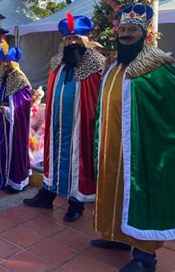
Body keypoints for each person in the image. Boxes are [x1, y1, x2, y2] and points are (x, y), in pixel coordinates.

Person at [92, 4, 175, 271]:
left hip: (143, 149)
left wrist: (159, 139)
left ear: (145, 34)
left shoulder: (158, 66)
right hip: (113, 146)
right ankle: (117, 236)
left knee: (140, 194)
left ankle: (145, 257)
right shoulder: (114, 65)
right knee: (114, 189)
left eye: (132, 31)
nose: (125, 35)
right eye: (123, 30)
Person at [23, 14, 105, 221]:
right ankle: (47, 194)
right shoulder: (57, 62)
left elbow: (99, 96)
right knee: (54, 155)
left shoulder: (97, 63)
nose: (72, 43)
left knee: (78, 160)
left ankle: (75, 204)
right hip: (57, 123)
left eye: (76, 38)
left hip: (80, 124)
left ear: (85, 40)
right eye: (68, 39)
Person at [0, 42, 33, 193]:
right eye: (4, 61)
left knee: (12, 149)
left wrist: (9, 110)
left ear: (14, 62)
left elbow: (24, 104)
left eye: (8, 61)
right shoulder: (3, 78)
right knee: (1, 148)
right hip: (0, 123)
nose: (5, 64)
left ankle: (14, 181)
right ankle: (1, 174)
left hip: (12, 125)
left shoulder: (20, 80)